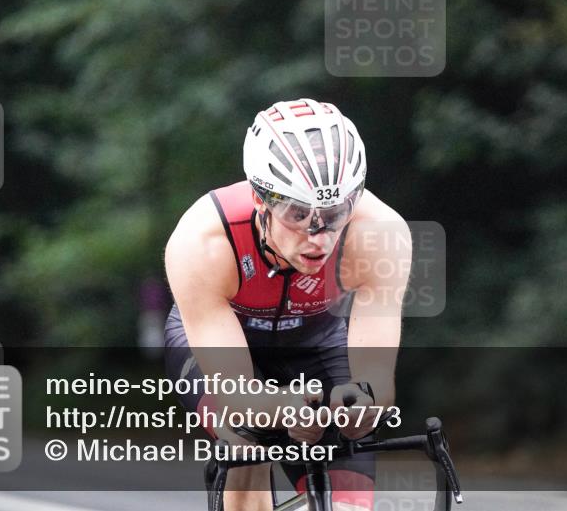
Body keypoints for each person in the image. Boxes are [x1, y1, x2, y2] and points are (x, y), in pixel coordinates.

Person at [164, 98, 411, 511]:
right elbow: (236, 394)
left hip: (315, 339)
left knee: (350, 496)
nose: (319, 236)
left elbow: (376, 379)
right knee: (246, 443)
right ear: (261, 199)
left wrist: (360, 401)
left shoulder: (381, 234)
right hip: (222, 346)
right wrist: (281, 407)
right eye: (298, 215)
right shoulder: (203, 241)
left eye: (334, 214)